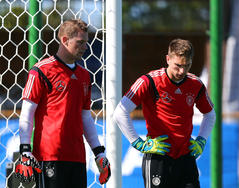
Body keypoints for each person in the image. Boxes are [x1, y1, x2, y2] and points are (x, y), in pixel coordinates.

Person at [15, 19, 111, 188]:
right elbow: (27, 113)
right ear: (65, 40)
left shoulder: (85, 76)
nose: (85, 47)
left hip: (77, 157)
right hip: (49, 156)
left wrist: (98, 153)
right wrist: (25, 150)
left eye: (86, 43)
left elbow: (85, 117)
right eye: (80, 43)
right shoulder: (40, 71)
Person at [113, 38, 216, 188]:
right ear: (168, 59)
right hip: (158, 158)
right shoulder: (148, 81)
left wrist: (202, 139)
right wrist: (138, 143)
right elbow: (120, 112)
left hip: (186, 158)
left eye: (187, 65)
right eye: (178, 66)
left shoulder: (196, 84)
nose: (182, 71)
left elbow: (210, 114)